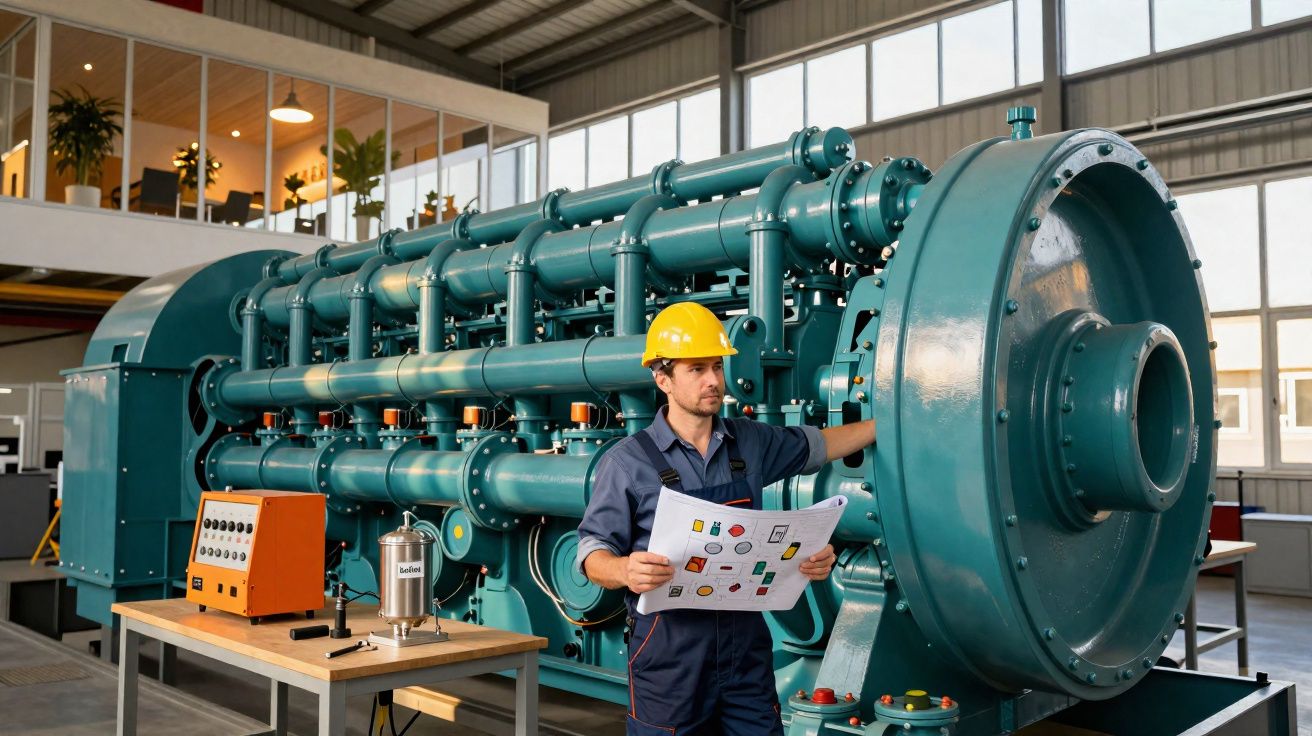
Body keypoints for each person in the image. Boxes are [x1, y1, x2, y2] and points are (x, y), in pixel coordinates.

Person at [576, 302, 877, 735]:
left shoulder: (749, 442)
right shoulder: (626, 463)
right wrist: (624, 569)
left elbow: (822, 444)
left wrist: (886, 424)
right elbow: (591, 552)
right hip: (669, 657)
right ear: (662, 378)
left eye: (717, 367)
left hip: (745, 651)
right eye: (696, 369)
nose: (714, 381)